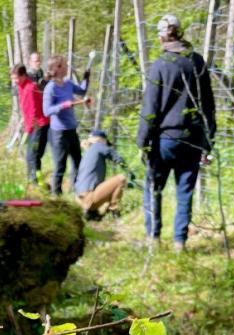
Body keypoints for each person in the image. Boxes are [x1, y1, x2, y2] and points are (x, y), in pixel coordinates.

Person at [136, 14, 216, 252]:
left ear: (162, 36)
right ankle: (179, 242)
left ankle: (153, 239)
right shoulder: (197, 62)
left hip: (164, 140)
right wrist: (208, 142)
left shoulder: (161, 64)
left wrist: (143, 141)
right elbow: (208, 105)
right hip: (192, 139)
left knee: (154, 188)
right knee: (185, 191)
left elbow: (151, 107)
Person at [42, 55, 90, 196]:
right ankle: (56, 196)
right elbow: (46, 111)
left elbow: (81, 91)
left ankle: (76, 191)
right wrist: (62, 106)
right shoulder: (50, 88)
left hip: (72, 130)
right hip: (59, 133)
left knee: (77, 162)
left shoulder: (68, 83)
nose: (67, 66)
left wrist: (86, 77)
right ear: (57, 69)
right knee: (60, 166)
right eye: (64, 65)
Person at [75, 130, 132, 219]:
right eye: (106, 143)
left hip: (80, 198)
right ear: (101, 139)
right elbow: (115, 156)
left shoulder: (89, 152)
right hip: (88, 198)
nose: (106, 145)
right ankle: (114, 210)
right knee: (121, 179)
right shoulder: (98, 145)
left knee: (112, 182)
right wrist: (128, 171)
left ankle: (92, 213)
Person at [12, 64, 49, 187]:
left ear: (23, 76)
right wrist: (23, 120)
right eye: (13, 78)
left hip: (39, 125)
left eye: (16, 78)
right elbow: (26, 107)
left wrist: (28, 131)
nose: (15, 81)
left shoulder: (30, 87)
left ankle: (35, 182)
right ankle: (34, 181)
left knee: (32, 155)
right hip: (33, 125)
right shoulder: (21, 87)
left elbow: (34, 110)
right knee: (32, 156)